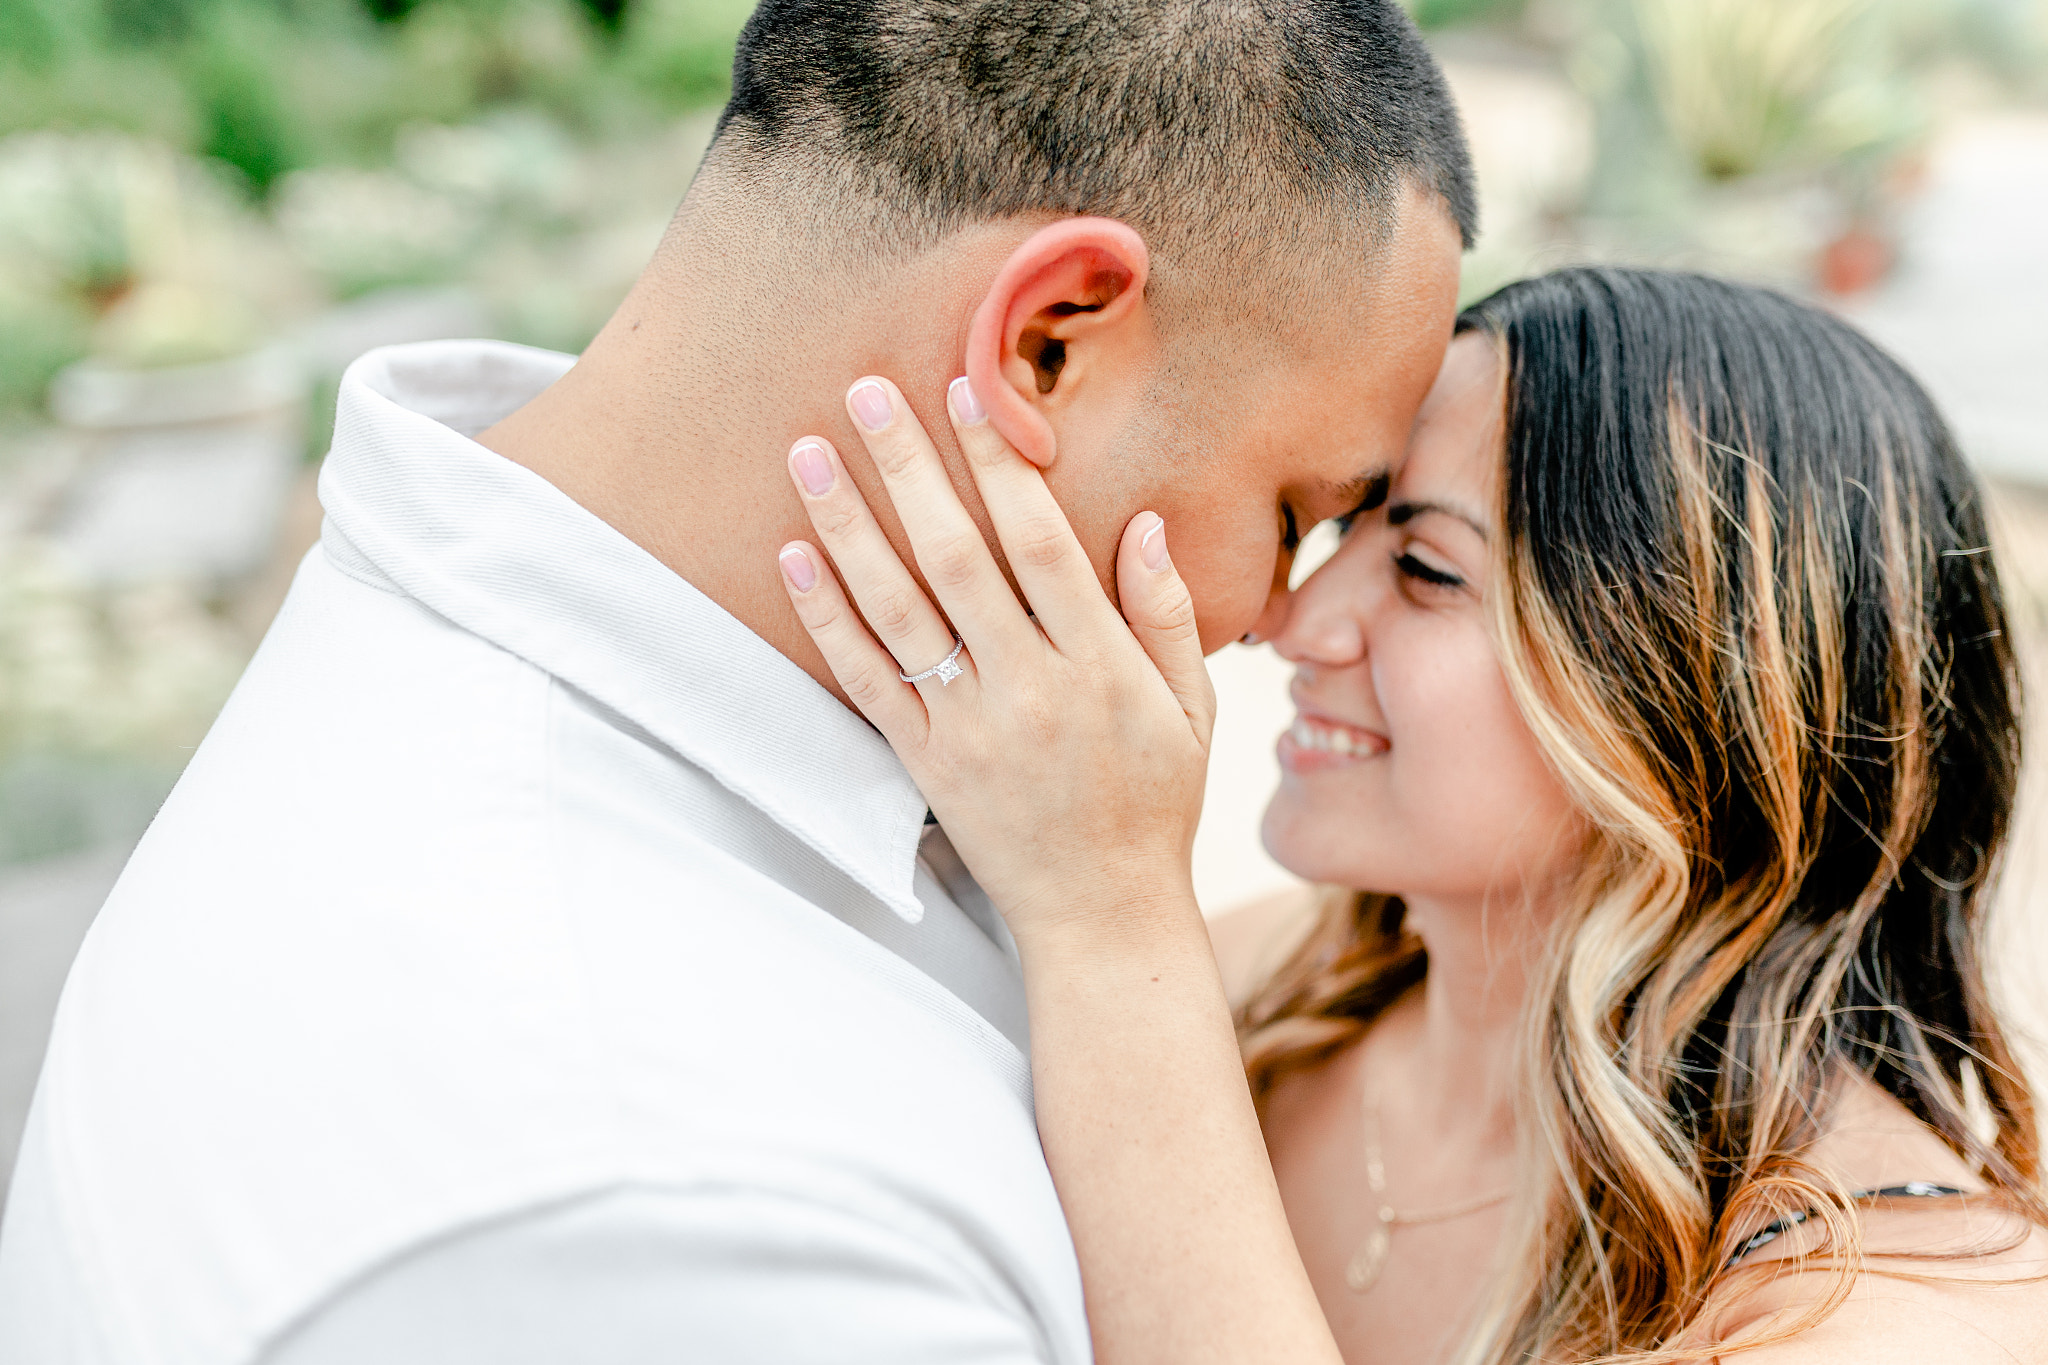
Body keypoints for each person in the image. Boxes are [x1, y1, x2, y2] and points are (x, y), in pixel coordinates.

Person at [0, 1, 1477, 1360]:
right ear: (1043, 344)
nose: (1283, 617)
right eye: (1295, 513)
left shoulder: (517, 694)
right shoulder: (652, 1191)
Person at [779, 267, 2048, 1364]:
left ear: (1699, 697)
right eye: (1341, 529)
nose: (1296, 618)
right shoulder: (1271, 987)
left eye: (1427, 568)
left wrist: (1106, 909)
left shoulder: (1907, 1303)